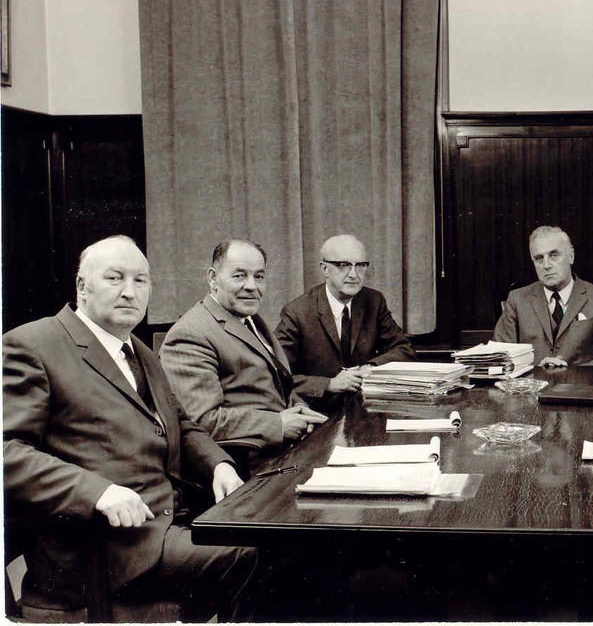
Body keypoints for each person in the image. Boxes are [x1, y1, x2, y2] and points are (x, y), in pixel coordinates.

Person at [3, 235, 256, 620]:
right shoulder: (33, 344)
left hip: (163, 528)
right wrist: (97, 491)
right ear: (82, 286)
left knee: (279, 547)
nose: (130, 292)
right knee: (256, 557)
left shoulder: (141, 351)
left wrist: (218, 465)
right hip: (102, 549)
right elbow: (7, 451)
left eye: (141, 280)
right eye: (114, 278)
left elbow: (180, 423)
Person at [160, 238, 326, 472]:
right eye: (239, 276)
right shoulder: (190, 333)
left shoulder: (249, 319)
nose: (251, 286)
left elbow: (273, 388)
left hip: (283, 455)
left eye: (259, 276)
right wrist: (278, 424)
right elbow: (200, 422)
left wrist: (298, 409)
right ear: (213, 278)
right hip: (246, 469)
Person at [276, 234, 415, 409]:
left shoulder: (373, 301)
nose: (353, 274)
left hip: (368, 409)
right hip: (320, 413)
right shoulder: (297, 312)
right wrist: (329, 384)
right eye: (343, 265)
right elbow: (278, 375)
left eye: (360, 265)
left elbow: (403, 349)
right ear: (325, 269)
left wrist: (370, 367)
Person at [494, 225, 593, 367]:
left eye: (553, 255)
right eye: (539, 258)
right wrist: (536, 369)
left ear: (571, 256)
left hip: (579, 381)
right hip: (531, 381)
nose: (546, 265)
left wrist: (570, 372)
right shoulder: (517, 299)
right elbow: (499, 357)